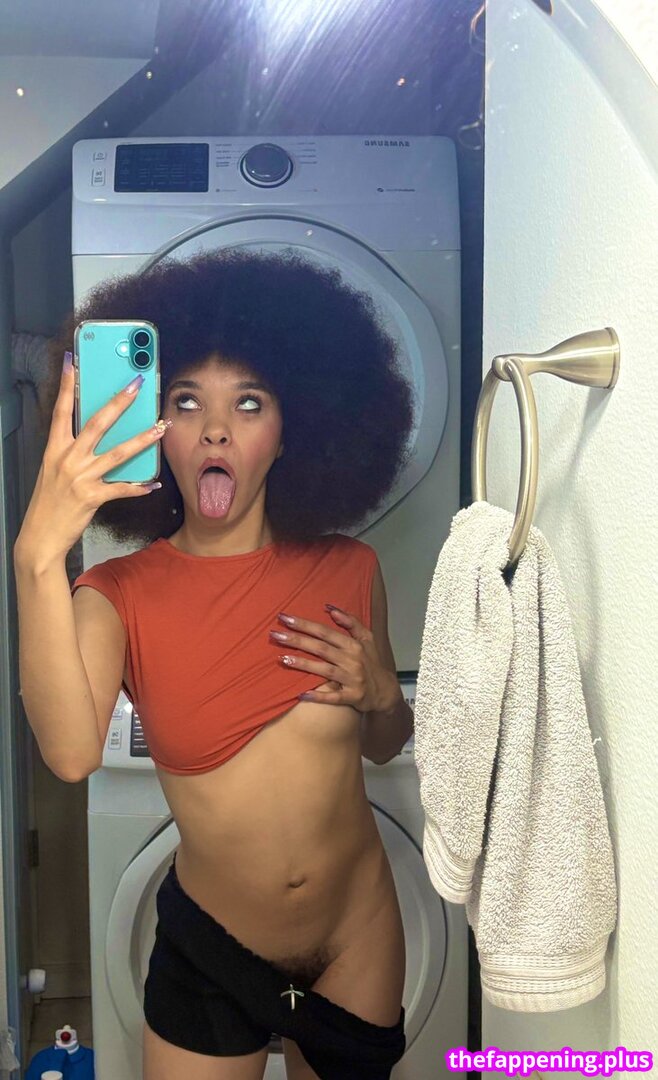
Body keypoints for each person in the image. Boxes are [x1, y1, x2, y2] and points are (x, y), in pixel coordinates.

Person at [15, 248, 416, 1080]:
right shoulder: (117, 593)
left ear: (291, 431)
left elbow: (384, 744)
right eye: (187, 401)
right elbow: (71, 754)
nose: (217, 428)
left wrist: (383, 695)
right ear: (159, 430)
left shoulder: (350, 568)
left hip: (359, 937)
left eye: (250, 403)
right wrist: (36, 557)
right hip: (213, 954)